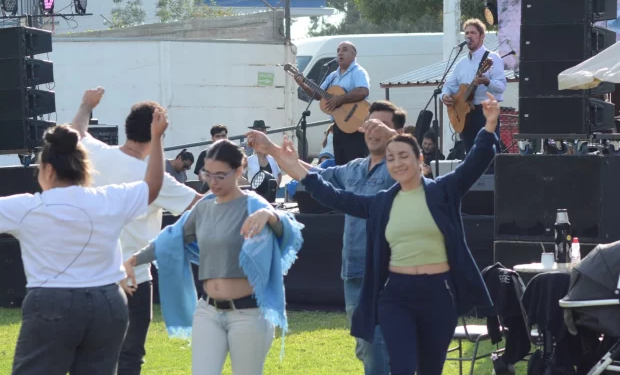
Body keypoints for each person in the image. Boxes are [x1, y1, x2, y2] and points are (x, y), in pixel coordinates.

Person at [272, 93, 499, 375]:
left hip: (438, 295)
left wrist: (490, 124)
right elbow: (334, 197)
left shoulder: (443, 192)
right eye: (391, 158)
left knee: (430, 369)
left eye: (404, 156)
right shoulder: (381, 203)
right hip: (395, 296)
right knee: (400, 366)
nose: (397, 163)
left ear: (420, 158)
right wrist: (295, 168)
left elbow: (475, 163)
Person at [247, 100, 407, 375]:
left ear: (398, 132)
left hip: (386, 273)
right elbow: (313, 176)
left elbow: (415, 163)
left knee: (376, 347)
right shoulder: (354, 168)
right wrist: (271, 149)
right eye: (370, 124)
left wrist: (393, 138)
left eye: (382, 126)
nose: (374, 131)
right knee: (366, 346)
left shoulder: (401, 168)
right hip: (353, 272)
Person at [1, 111, 167, 375]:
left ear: (48, 169)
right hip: (108, 302)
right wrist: (156, 138)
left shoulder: (27, 207)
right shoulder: (108, 199)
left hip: (52, 301)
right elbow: (153, 185)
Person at [122, 139, 303, 375]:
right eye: (208, 174)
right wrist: (134, 260)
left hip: (248, 314)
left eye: (220, 175)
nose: (212, 182)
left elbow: (288, 232)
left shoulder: (254, 205)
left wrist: (270, 215)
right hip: (208, 311)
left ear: (239, 170)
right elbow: (171, 239)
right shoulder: (204, 207)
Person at [71, 88, 202, 375]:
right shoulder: (156, 180)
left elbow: (77, 132)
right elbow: (205, 206)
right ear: (158, 135)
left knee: (88, 357)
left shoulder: (95, 154)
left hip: (87, 276)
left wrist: (86, 105)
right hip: (134, 278)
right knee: (129, 357)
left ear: (128, 127)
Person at [295, 41, 370, 165]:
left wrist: (340, 99)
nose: (340, 53)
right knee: (340, 164)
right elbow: (318, 95)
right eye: (338, 50)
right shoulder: (333, 76)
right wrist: (303, 84)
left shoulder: (358, 72)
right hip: (339, 127)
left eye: (344, 50)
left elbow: (363, 91)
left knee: (355, 165)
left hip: (356, 126)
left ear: (353, 54)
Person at [442, 18, 507, 153]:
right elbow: (448, 85)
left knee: (490, 154)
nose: (469, 36)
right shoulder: (461, 63)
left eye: (473, 33)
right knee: (470, 154)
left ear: (482, 36)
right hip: (465, 116)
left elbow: (501, 87)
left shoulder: (493, 58)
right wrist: (445, 95)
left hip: (486, 113)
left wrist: (487, 82)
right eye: (466, 33)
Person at [247, 120, 283, 185]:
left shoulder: (271, 157)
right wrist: (249, 187)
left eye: (261, 130)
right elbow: (237, 173)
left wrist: (276, 187)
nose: (259, 133)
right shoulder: (247, 151)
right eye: (256, 130)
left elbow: (279, 174)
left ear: (265, 132)